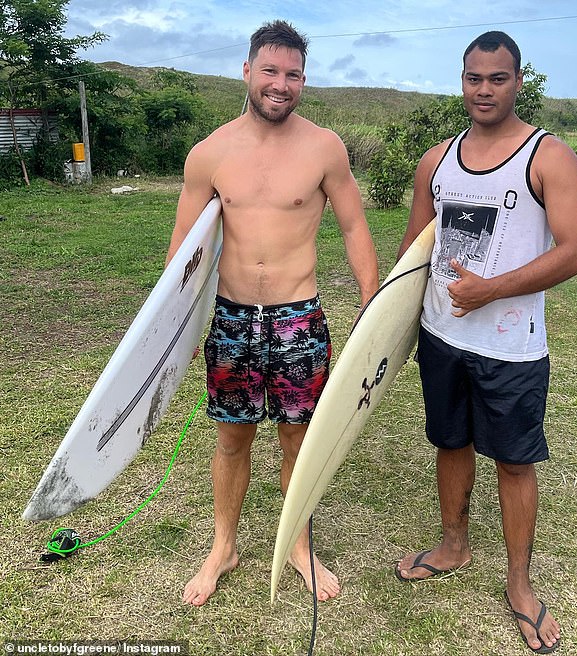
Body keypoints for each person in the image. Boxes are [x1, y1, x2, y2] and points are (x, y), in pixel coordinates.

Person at [165, 20, 379, 606]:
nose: (280, 84)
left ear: (303, 80)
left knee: (297, 440)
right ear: (247, 72)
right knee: (233, 440)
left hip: (297, 317)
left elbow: (354, 225)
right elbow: (183, 247)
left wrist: (372, 303)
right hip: (233, 319)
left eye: (292, 74)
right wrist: (167, 329)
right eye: (270, 71)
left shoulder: (324, 147)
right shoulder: (209, 153)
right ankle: (223, 547)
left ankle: (301, 548)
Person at [395, 31, 577, 654]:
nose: (483, 90)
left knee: (513, 461)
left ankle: (519, 585)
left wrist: (492, 290)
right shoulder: (437, 159)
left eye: (497, 78)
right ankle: (454, 544)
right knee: (449, 443)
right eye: (473, 78)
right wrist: (385, 327)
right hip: (441, 335)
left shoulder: (548, 157)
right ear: (462, 80)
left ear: (518, 80)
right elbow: (413, 251)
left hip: (511, 347)